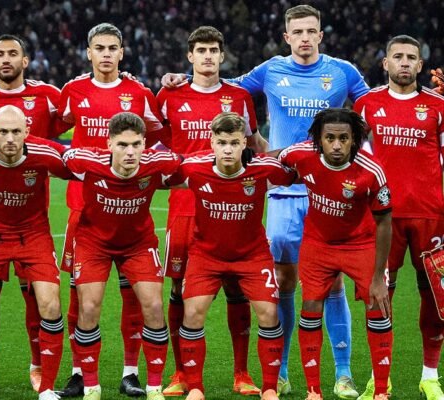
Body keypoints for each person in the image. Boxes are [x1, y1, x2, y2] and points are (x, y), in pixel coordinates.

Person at [162, 6, 369, 396]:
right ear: (287, 36)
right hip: (281, 192)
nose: (305, 38)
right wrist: (182, 77)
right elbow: (225, 83)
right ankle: (283, 370)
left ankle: (343, 373)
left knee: (333, 282)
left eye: (311, 31)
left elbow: (374, 110)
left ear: (321, 35)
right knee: (284, 281)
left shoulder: (343, 71)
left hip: (327, 191)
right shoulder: (270, 70)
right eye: (297, 32)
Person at [156, 26, 267, 397]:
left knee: (237, 285)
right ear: (190, 56)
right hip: (185, 208)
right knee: (178, 288)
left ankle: (242, 373)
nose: (207, 56)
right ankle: (180, 373)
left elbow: (254, 145)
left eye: (213, 50)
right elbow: (156, 143)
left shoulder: (239, 97)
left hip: (231, 207)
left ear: (222, 56)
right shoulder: (169, 96)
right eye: (200, 50)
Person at [57, 23, 165, 397]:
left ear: (121, 52)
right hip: (83, 207)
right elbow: (54, 125)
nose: (106, 54)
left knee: (134, 295)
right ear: (89, 52)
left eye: (112, 48)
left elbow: (159, 136)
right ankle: (78, 372)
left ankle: (130, 372)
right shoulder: (73, 91)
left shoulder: (139, 93)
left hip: (129, 205)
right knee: (80, 296)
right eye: (99, 48)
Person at [0, 34, 71, 394]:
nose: (6, 59)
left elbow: (79, 122)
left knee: (40, 298)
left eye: (13, 53)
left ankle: (40, 370)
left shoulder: (48, 96)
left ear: (25, 61)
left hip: (33, 223)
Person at [165, 112, 295, 400]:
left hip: (252, 255)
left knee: (269, 313)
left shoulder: (263, 169)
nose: (227, 149)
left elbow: (298, 171)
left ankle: (269, 388)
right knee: (193, 312)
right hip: (206, 255)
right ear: (212, 142)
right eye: (222, 143)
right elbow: (158, 176)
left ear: (244, 144)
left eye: (234, 143)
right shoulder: (194, 168)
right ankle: (195, 387)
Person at [63, 112, 179, 400]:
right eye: (123, 145)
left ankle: (153, 387)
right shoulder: (87, 162)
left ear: (144, 145)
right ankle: (90, 387)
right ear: (109, 144)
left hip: (138, 244)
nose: (130, 152)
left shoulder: (159, 163)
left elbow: (197, 163)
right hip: (93, 244)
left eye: (136, 145)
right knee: (88, 307)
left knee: (154, 306)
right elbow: (50, 157)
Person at [278, 108, 392, 400]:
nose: (337, 145)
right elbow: (277, 158)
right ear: (319, 139)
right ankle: (313, 391)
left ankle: (381, 392)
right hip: (318, 244)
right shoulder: (302, 155)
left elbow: (384, 222)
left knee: (378, 307)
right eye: (330, 138)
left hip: (360, 244)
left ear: (354, 139)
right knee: (310, 307)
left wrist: (378, 277)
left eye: (344, 138)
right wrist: (247, 158)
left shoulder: (371, 171)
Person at [353, 35, 444, 400]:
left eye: (411, 58)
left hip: (430, 215)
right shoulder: (366, 104)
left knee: (435, 296)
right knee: (378, 294)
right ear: (385, 63)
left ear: (420, 65)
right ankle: (380, 380)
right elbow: (357, 162)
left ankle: (430, 376)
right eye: (398, 57)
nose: (404, 62)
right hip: (381, 217)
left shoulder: (438, 106)